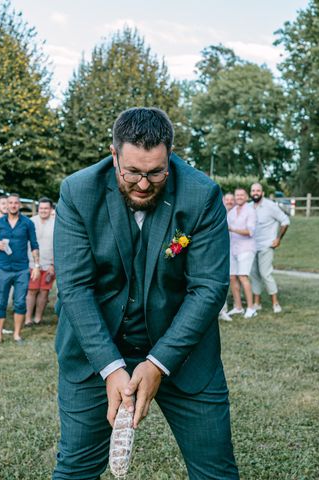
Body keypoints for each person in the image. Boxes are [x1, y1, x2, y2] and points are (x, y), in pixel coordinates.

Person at [52, 107, 238, 479]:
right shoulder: (78, 191)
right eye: (132, 172)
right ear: (113, 154)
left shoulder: (201, 195)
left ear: (169, 156)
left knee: (216, 472)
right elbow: (75, 287)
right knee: (75, 471)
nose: (142, 184)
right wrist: (109, 366)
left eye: (155, 172)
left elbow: (208, 288)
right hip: (95, 352)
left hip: (182, 355)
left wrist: (158, 363)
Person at [0, 193, 41, 344]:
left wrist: (36, 266)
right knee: (0, 302)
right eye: (10, 203)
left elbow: (34, 245)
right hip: (3, 269)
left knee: (20, 302)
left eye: (15, 203)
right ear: (6, 205)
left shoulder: (27, 223)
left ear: (19, 205)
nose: (12, 205)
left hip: (21, 270)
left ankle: (17, 334)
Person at [249, 183, 290, 313]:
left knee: (265, 273)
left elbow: (285, 221)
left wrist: (278, 239)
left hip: (266, 245)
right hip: (251, 246)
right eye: (253, 190)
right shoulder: (248, 207)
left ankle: (275, 303)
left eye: (258, 190)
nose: (256, 192)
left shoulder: (270, 206)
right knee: (254, 274)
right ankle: (257, 303)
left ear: (262, 193)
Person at [226, 188, 258, 319]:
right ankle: (238, 307)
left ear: (246, 197)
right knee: (232, 277)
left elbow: (250, 231)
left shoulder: (250, 211)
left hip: (246, 248)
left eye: (241, 195)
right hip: (232, 248)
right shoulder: (232, 212)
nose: (239, 197)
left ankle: (251, 308)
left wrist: (232, 229)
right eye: (237, 195)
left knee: (243, 276)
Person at [24, 197, 55, 326]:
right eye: (41, 208)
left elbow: (58, 244)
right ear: (38, 209)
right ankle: (27, 318)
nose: (43, 210)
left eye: (46, 208)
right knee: (32, 290)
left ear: (51, 209)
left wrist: (53, 264)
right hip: (32, 262)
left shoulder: (56, 223)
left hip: (49, 264)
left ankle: (38, 317)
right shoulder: (31, 222)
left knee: (44, 291)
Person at [219, 193, 235, 322]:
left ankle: (223, 310)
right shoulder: (220, 210)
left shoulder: (236, 213)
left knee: (224, 280)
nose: (229, 202)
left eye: (231, 199)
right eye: (227, 199)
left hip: (230, 251)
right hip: (219, 250)